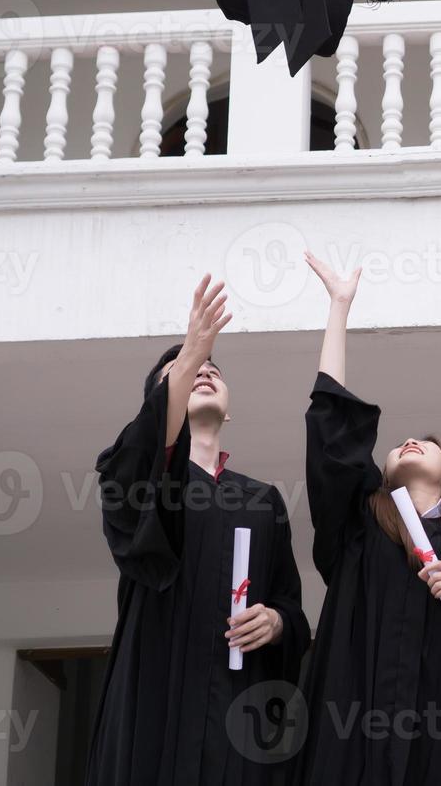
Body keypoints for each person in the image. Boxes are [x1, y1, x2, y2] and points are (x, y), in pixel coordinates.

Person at [87, 274, 311, 785]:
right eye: (187, 371)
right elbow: (131, 491)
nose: (204, 370)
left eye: (212, 369)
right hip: (156, 690)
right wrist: (190, 351)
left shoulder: (262, 500)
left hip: (236, 705)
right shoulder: (145, 474)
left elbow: (290, 603)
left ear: (229, 413)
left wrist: (276, 622)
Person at [295, 252, 441, 786]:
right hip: (352, 724)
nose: (410, 441)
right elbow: (332, 431)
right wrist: (339, 309)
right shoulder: (360, 522)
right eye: (400, 444)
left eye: (427, 444)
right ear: (381, 473)